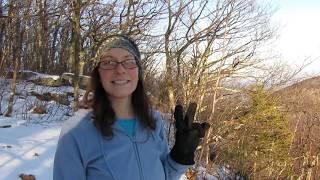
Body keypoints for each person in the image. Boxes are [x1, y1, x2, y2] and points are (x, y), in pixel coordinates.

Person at [53, 35, 209, 180]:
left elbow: (164, 175)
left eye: (128, 61)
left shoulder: (153, 121)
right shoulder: (76, 132)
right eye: (109, 62)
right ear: (98, 73)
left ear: (138, 72)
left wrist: (180, 156)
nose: (120, 70)